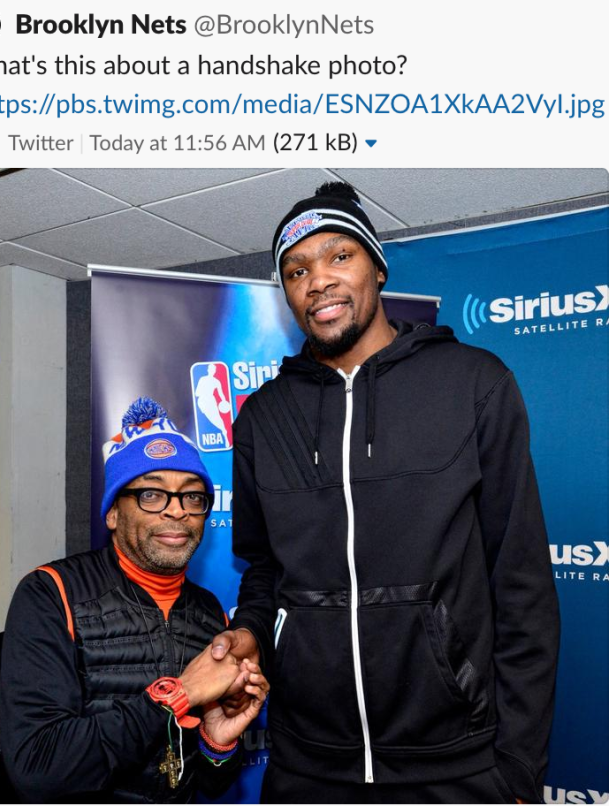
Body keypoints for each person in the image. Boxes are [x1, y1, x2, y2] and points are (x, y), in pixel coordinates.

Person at [211, 182, 560, 804]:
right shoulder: (263, 417)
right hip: (309, 765)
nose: (318, 280)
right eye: (297, 270)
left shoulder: (473, 382)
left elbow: (522, 583)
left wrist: (518, 767)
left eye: (338, 257)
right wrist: (249, 633)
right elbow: (265, 570)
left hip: (456, 764)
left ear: (377, 267)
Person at [0, 397, 269, 804]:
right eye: (152, 495)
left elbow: (203, 785)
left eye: (192, 497)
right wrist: (177, 695)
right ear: (112, 513)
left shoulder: (209, 613)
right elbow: (39, 769)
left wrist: (217, 742)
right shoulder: (51, 593)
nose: (177, 512)